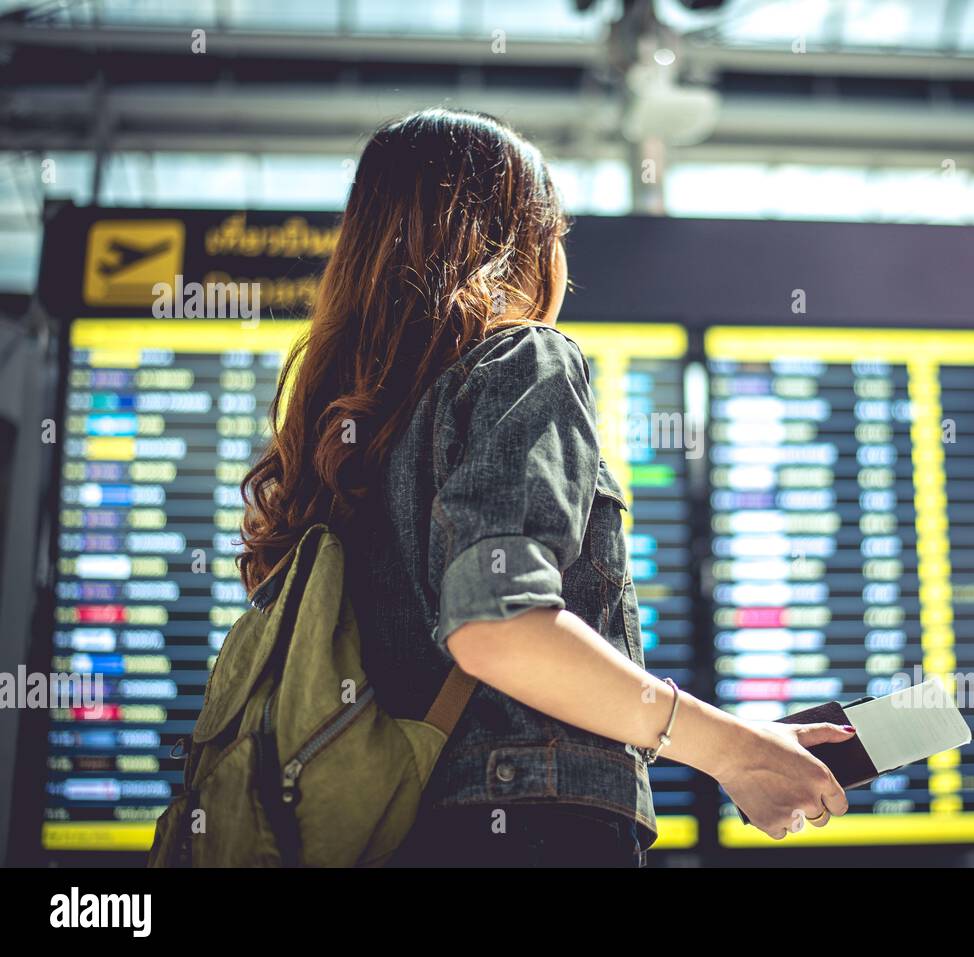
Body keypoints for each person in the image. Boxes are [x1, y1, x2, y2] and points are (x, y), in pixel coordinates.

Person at [237, 108, 853, 866]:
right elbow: (498, 626)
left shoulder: (345, 437)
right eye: (553, 230)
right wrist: (731, 750)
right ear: (521, 245)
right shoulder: (524, 360)